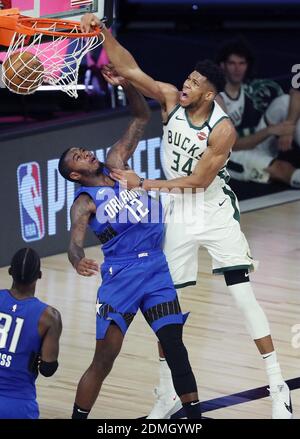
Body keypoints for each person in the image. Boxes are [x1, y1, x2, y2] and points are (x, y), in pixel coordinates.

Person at [80, 14, 293, 419]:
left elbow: (196, 181)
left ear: (209, 95)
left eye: (194, 84)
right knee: (167, 309)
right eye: (187, 79)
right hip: (175, 213)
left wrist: (145, 184)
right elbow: (128, 67)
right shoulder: (169, 100)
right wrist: (101, 29)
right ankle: (167, 392)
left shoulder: (222, 130)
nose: (185, 86)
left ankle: (277, 383)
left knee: (241, 294)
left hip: (211, 209)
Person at [58, 66, 202, 420]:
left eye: (81, 149)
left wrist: (127, 87)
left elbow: (141, 115)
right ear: (76, 174)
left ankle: (194, 417)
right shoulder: (85, 202)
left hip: (155, 267)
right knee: (104, 360)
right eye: (78, 156)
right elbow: (74, 243)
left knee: (174, 345)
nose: (84, 152)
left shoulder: (117, 162)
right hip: (121, 277)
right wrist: (77, 260)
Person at [216, 38, 300, 187]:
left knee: (285, 102)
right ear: (222, 66)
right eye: (232, 63)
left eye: (242, 63)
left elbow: (295, 93)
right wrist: (269, 131)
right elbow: (231, 145)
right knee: (281, 169)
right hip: (230, 154)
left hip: (256, 141)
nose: (237, 68)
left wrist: (289, 127)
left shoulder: (252, 89)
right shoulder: (216, 99)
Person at [0, 248, 62, 419]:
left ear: (10, 271)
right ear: (39, 275)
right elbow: (48, 369)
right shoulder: (49, 317)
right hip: (18, 406)